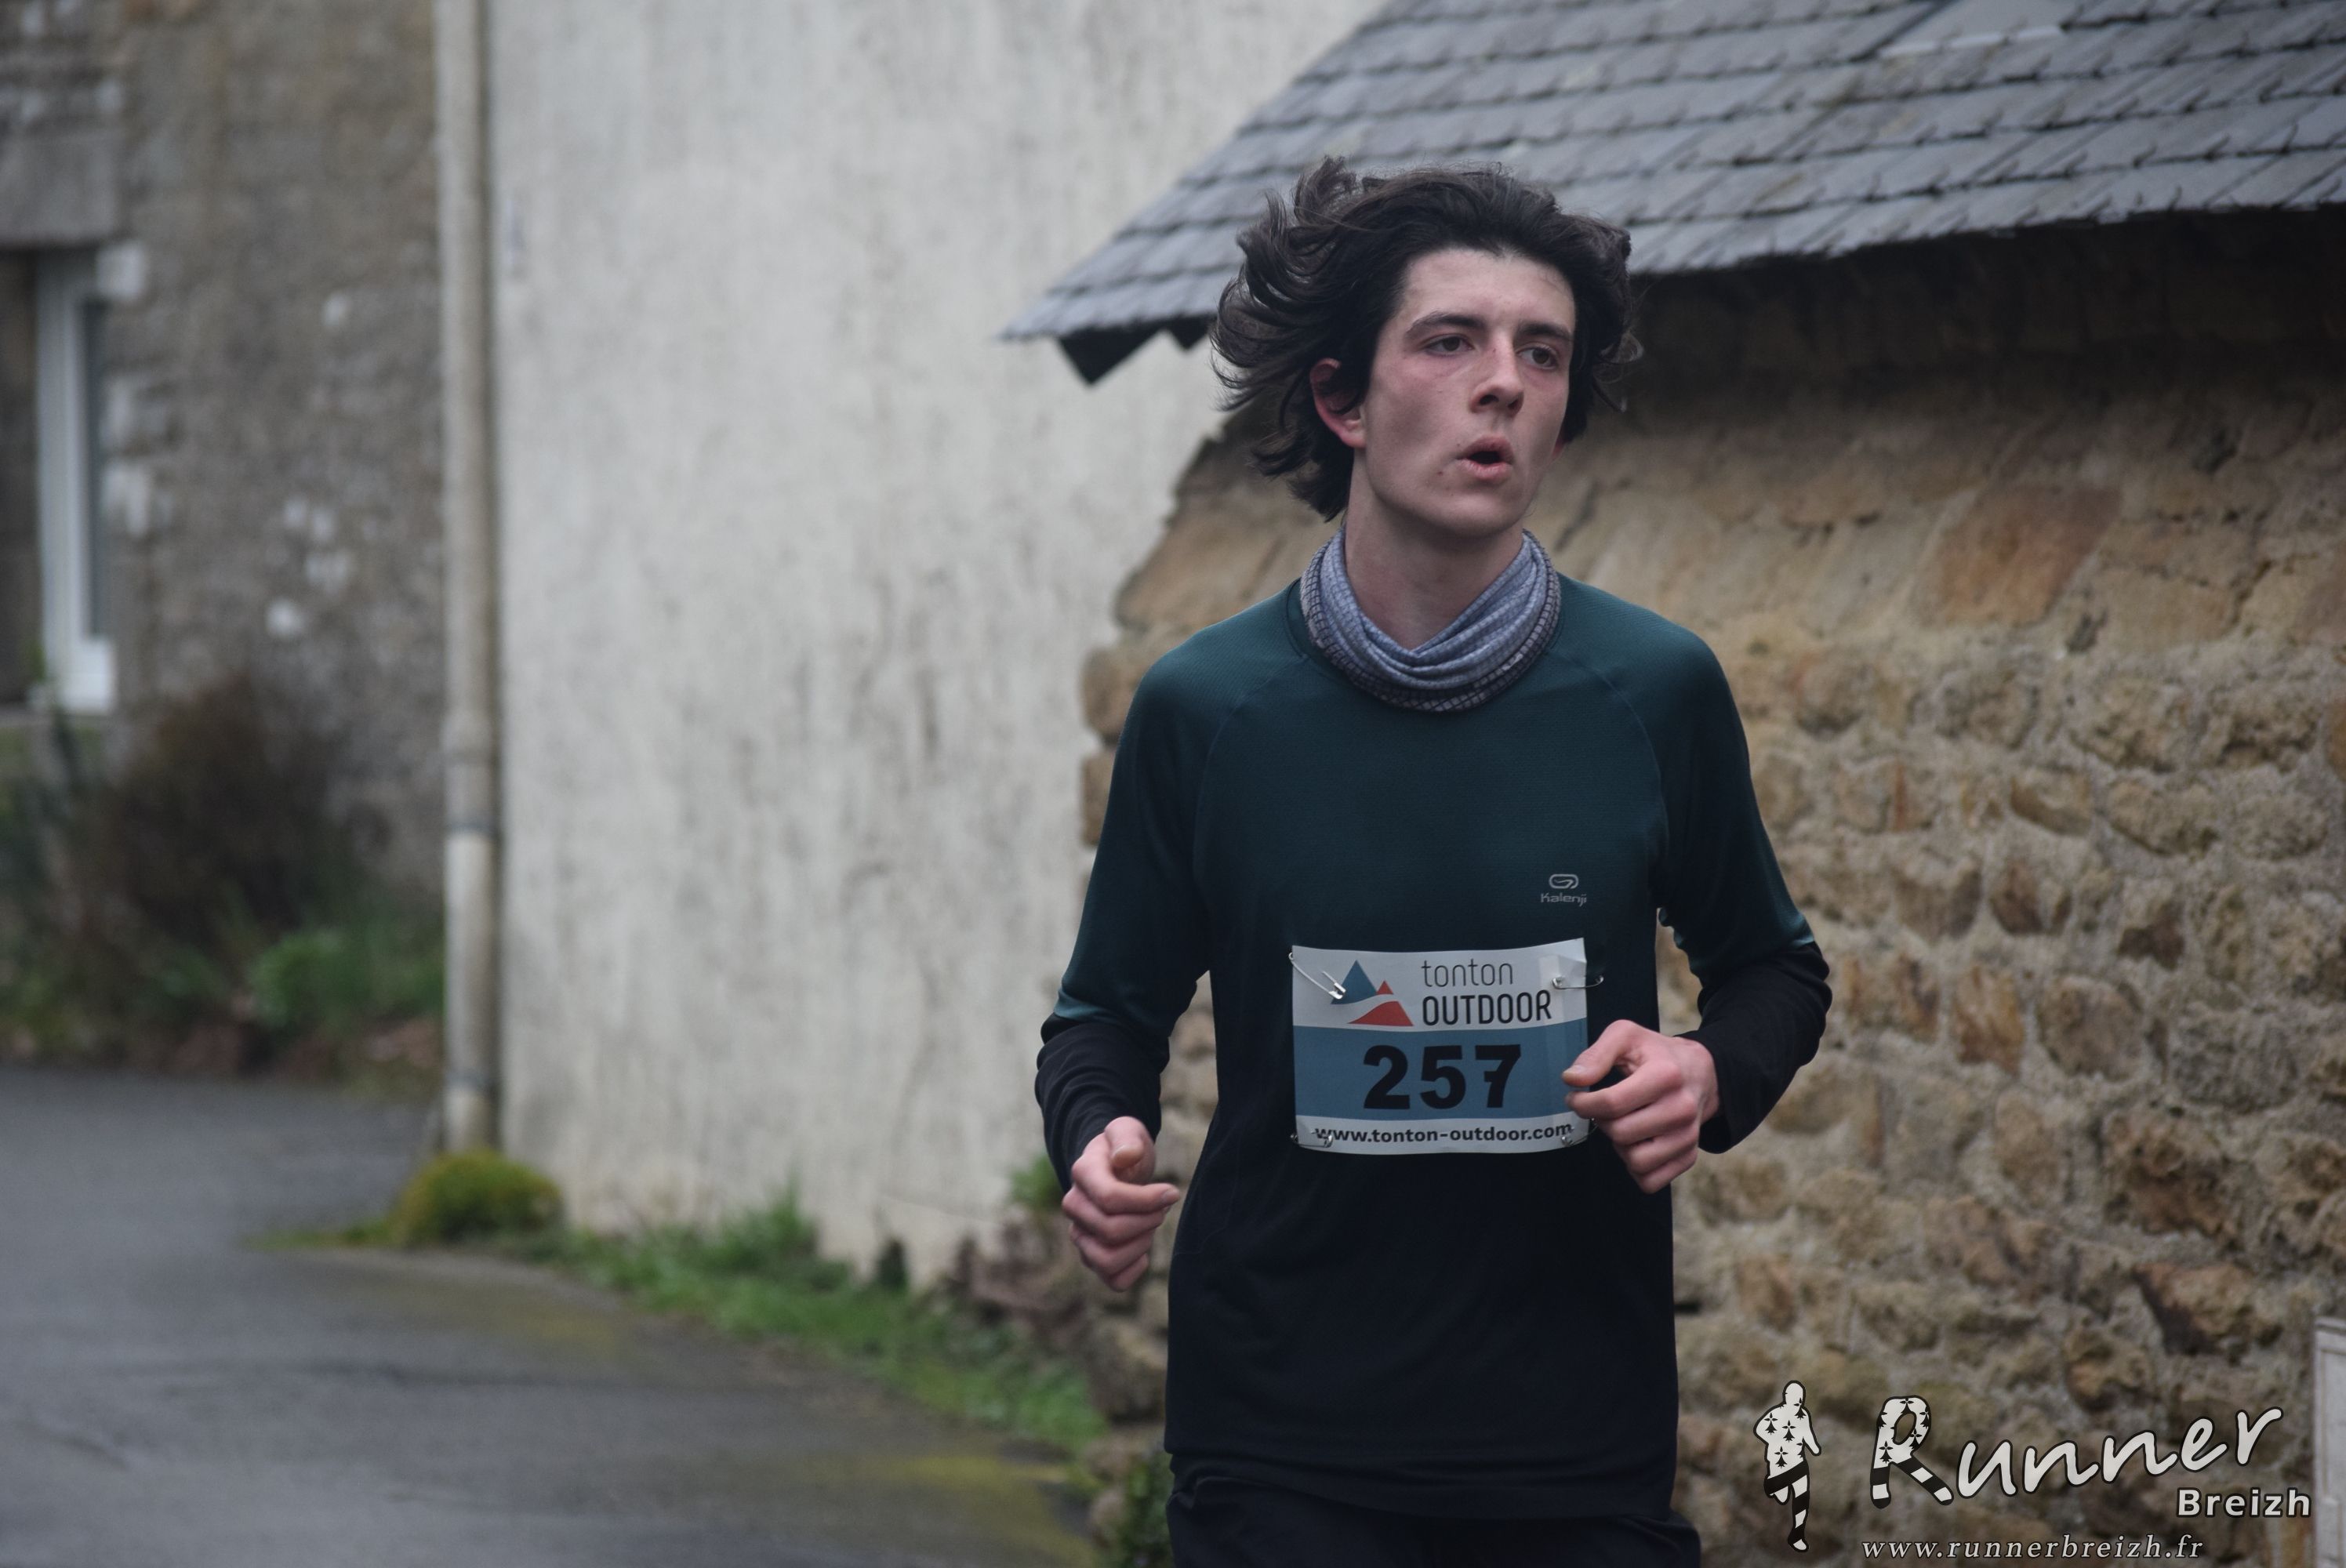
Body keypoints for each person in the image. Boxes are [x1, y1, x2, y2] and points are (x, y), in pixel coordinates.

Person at [1035, 158, 1832, 1566]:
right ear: (1343, 399)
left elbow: (1775, 971)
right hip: (1280, 1441)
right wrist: (1097, 1140)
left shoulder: (1653, 690)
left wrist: (1709, 1073)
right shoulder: (1207, 710)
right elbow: (1104, 1017)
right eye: (1451, 341)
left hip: (1573, 1438)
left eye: (1544, 353)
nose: (1505, 384)